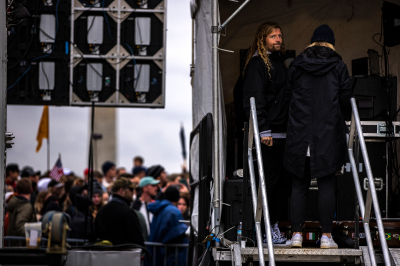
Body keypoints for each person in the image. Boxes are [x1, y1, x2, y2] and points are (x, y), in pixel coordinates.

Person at [285, 25, 352, 249]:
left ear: (312, 42)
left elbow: (286, 97)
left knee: (299, 184)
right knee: (326, 185)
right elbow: (345, 100)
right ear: (331, 42)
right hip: (327, 134)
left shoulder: (296, 65)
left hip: (300, 133)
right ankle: (325, 237)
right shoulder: (338, 66)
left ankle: (296, 235)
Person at [242, 21, 291, 246]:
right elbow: (254, 99)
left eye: (280, 36)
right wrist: (264, 129)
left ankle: (272, 227)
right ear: (263, 39)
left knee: (284, 183)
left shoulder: (279, 63)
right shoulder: (257, 64)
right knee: (270, 183)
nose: (278, 39)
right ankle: (264, 229)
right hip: (269, 135)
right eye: (273, 36)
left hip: (284, 133)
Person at [95, 177, 144, 246]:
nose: (133, 193)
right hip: (124, 254)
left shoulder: (102, 210)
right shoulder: (127, 212)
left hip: (103, 254)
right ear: (122, 191)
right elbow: (137, 239)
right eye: (131, 189)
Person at [148, 186, 188, 266]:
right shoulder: (173, 211)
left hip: (157, 253)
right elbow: (178, 233)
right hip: (170, 256)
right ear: (176, 198)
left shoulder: (160, 208)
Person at [7, 179, 36, 245]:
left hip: (12, 244)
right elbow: (20, 225)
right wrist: (35, 235)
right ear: (31, 190)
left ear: (17, 190)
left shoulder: (15, 202)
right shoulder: (26, 206)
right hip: (22, 247)